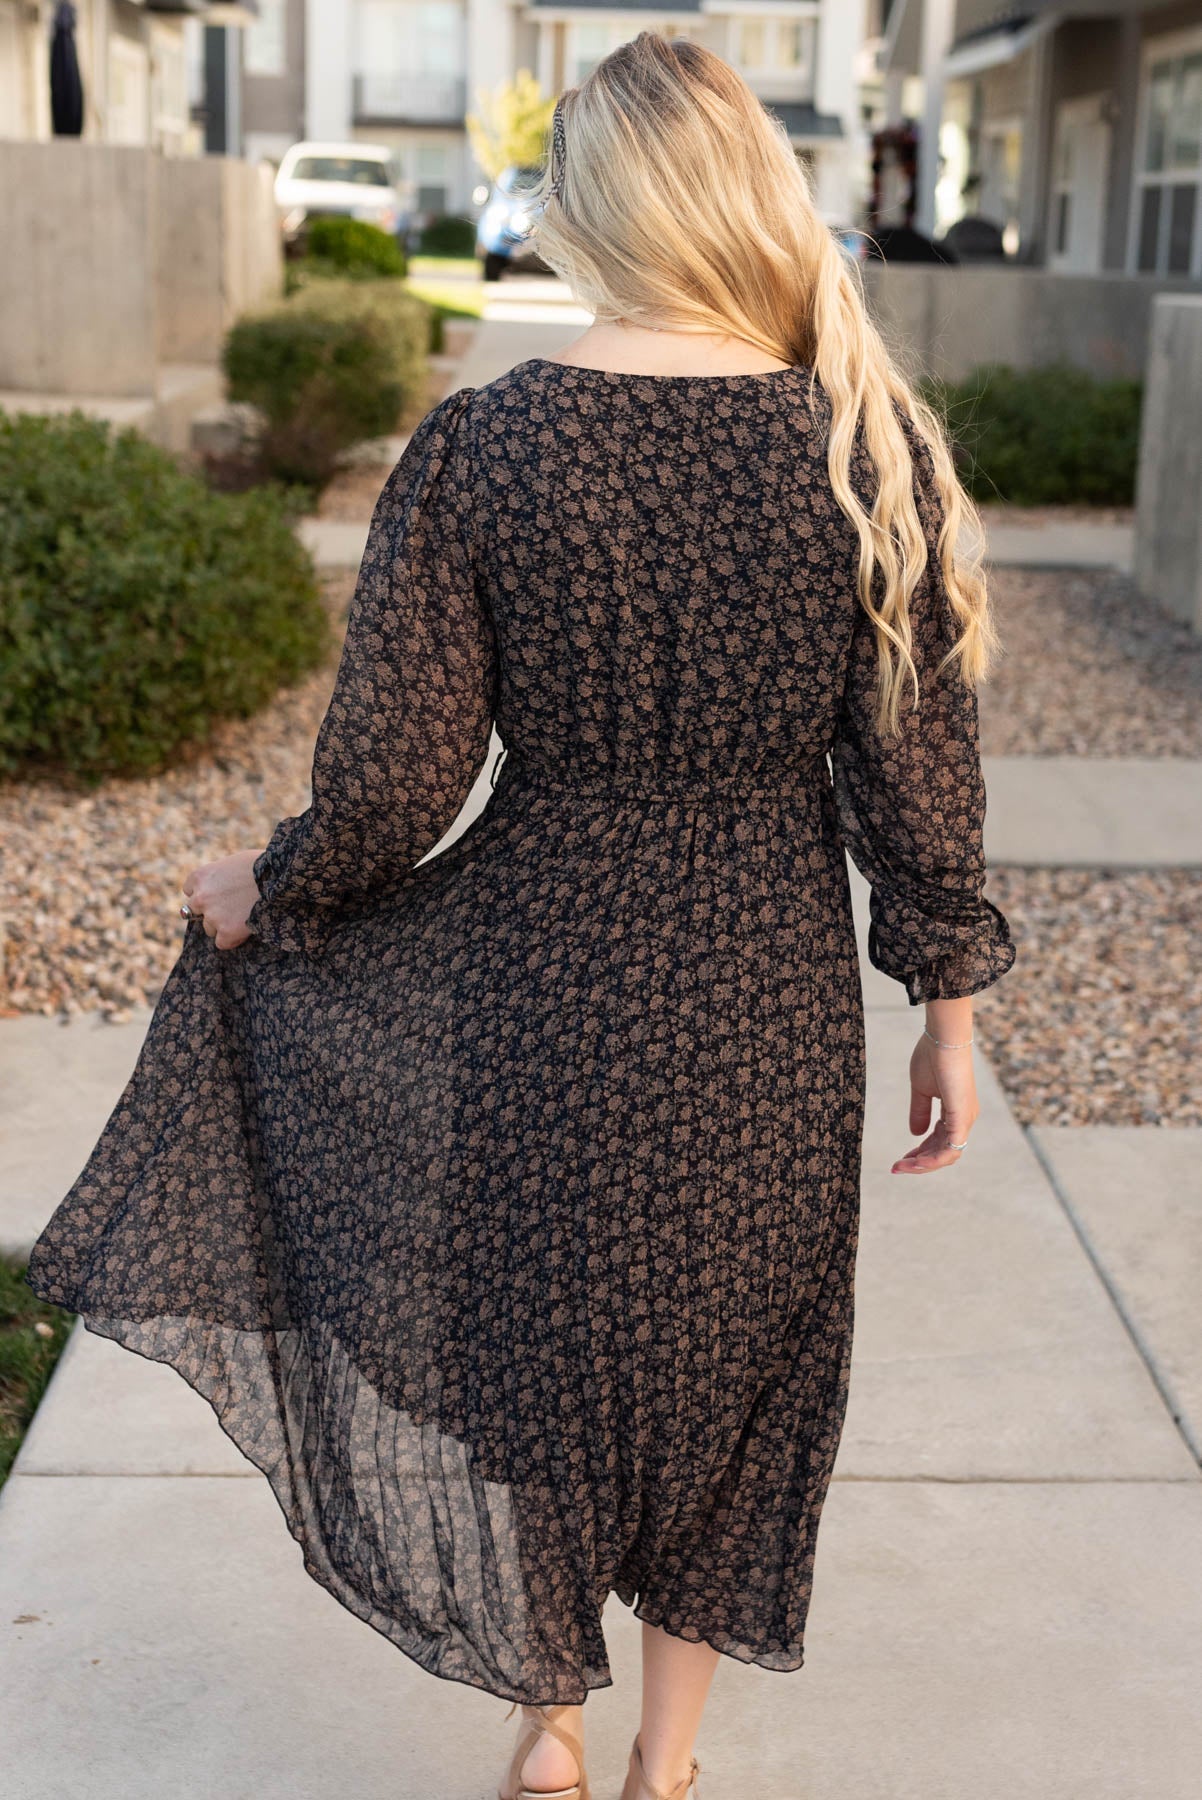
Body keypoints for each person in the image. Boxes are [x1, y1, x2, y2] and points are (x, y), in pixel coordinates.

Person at [26, 31, 1016, 1800]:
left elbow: (396, 783)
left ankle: (545, 1732)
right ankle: (662, 1765)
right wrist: (944, 1012)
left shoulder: (491, 446)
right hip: (765, 993)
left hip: (542, 972)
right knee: (739, 1376)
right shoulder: (860, 447)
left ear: (591, 203)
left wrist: (266, 884)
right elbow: (915, 777)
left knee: (539, 1341)